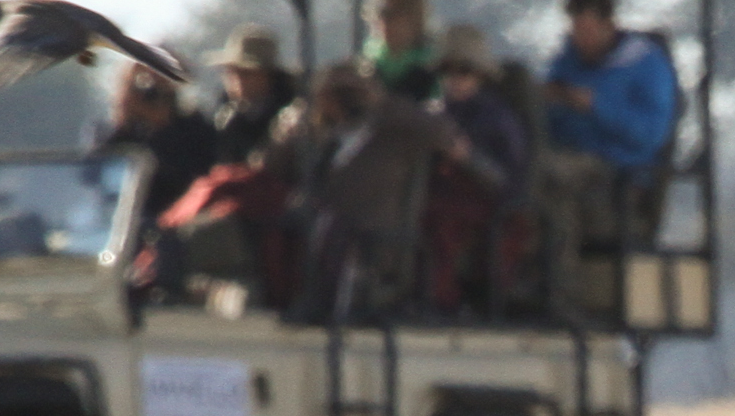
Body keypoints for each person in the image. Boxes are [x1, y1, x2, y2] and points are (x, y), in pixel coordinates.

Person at [274, 62, 455, 321]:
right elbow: (274, 168)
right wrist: (291, 130)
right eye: (334, 93)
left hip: (374, 236)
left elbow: (439, 130)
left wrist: (380, 101)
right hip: (321, 232)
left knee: (333, 234)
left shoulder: (392, 133)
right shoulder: (324, 138)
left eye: (348, 93)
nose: (343, 101)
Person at [536, 0, 679, 306]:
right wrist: (550, 101)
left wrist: (596, 107)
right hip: (570, 155)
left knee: (552, 179)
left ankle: (562, 292)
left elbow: (650, 135)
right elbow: (552, 115)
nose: (581, 40)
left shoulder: (647, 65)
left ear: (608, 25)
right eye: (576, 31)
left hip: (619, 171)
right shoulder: (567, 61)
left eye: (588, 31)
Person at [421, 24, 531, 312]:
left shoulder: (498, 119)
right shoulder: (432, 113)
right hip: (435, 192)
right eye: (448, 71)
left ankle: (443, 301)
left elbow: (508, 180)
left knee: (438, 220)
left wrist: (467, 157)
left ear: (480, 75)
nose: (455, 80)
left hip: (486, 202)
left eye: (464, 71)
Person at [91, 65, 217, 219]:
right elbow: (91, 173)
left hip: (178, 215)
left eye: (158, 89)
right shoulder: (114, 130)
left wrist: (162, 127)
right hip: (125, 217)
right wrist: (123, 118)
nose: (150, 95)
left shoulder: (193, 125)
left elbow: (194, 173)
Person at [208, 24, 297, 165]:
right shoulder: (225, 115)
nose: (237, 81)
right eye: (231, 73)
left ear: (268, 75)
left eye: (246, 73)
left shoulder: (291, 113)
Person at [364, 0, 438, 102]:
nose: (386, 21)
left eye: (395, 14)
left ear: (415, 19)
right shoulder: (367, 64)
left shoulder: (434, 65)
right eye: (382, 13)